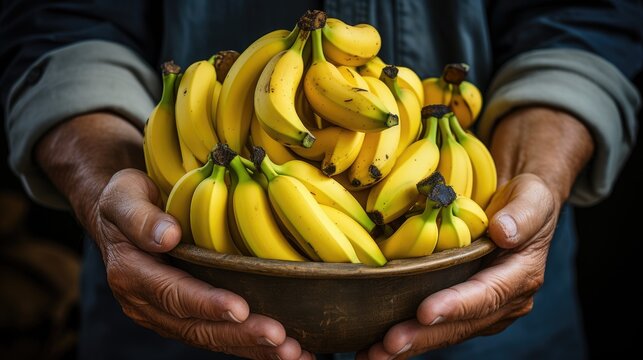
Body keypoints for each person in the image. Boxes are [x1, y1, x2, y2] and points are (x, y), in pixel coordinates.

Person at [0, 0, 641, 359]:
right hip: (175, 301)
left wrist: (534, 174)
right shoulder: (226, 156)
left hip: (495, 321)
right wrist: (104, 177)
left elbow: (583, 20)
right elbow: (59, 21)